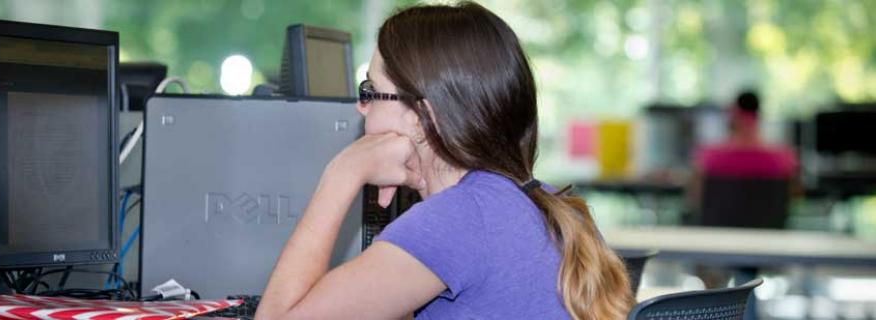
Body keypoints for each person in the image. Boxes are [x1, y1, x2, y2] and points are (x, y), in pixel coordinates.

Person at [255, 2, 633, 319]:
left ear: (421, 116)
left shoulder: (457, 220)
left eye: (371, 91)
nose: (359, 105)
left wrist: (342, 173)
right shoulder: (537, 200)